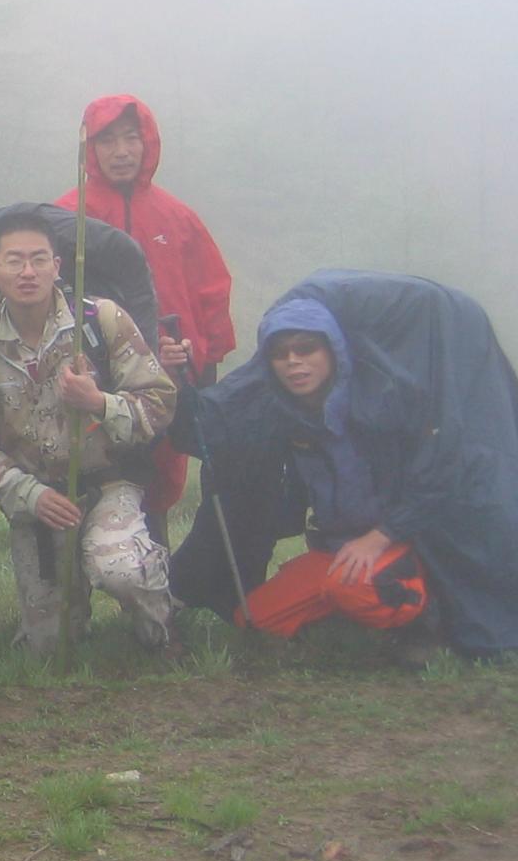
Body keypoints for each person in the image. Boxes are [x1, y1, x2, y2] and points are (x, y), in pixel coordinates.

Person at [171, 274, 518, 662]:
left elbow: (435, 481)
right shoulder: (283, 418)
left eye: (307, 349)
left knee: (353, 588)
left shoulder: (380, 412)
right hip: (335, 550)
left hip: (390, 541)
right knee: (254, 618)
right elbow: (210, 429)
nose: (294, 362)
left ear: (334, 351)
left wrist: (382, 535)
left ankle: (422, 620)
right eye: (281, 353)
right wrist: (176, 376)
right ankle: (348, 608)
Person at [0, 208, 180, 658]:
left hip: (107, 484)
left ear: (58, 266)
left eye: (38, 259)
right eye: (13, 261)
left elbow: (160, 401)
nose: (27, 272)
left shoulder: (101, 321)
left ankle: (161, 625)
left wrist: (100, 403)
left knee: (121, 570)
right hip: (37, 500)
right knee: (47, 646)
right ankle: (69, 615)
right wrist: (29, 494)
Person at [58, 95, 235, 533]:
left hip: (166, 373)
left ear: (148, 143)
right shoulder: (66, 215)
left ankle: (151, 588)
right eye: (108, 140)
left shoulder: (177, 217)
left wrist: (201, 357)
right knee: (88, 477)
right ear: (90, 150)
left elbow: (210, 292)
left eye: (131, 139)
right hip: (90, 377)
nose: (121, 152)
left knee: (158, 479)